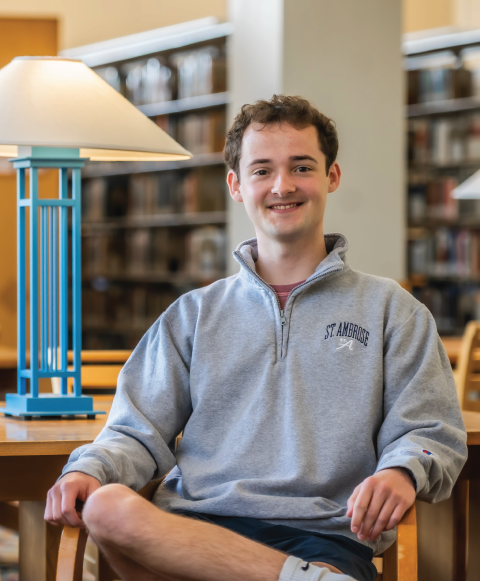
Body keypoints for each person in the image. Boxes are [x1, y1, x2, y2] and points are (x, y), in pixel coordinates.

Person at [45, 95, 467, 581]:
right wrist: (88, 469)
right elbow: (133, 432)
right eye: (262, 170)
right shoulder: (193, 315)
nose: (282, 186)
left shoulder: (393, 309)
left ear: (331, 177)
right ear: (236, 185)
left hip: (324, 533)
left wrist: (403, 471)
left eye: (301, 167)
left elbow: (434, 432)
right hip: (193, 527)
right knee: (107, 508)